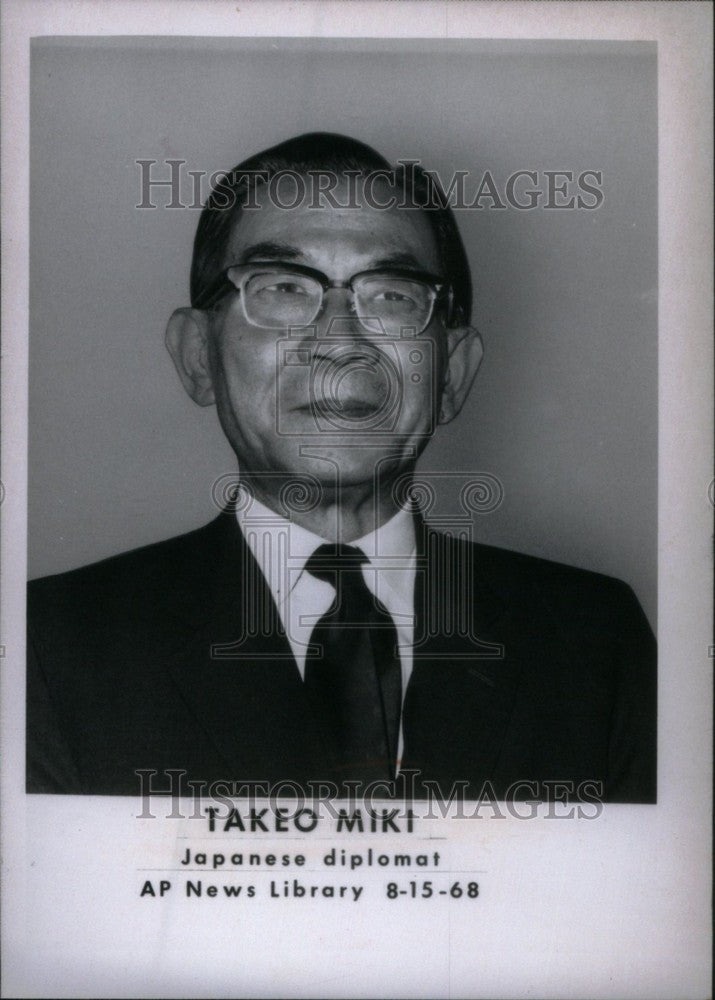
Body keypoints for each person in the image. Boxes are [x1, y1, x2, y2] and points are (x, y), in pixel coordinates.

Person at [26, 132, 656, 802]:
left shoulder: (594, 642)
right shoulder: (50, 644)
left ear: (452, 374)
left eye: (391, 295)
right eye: (282, 289)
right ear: (197, 355)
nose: (339, 343)